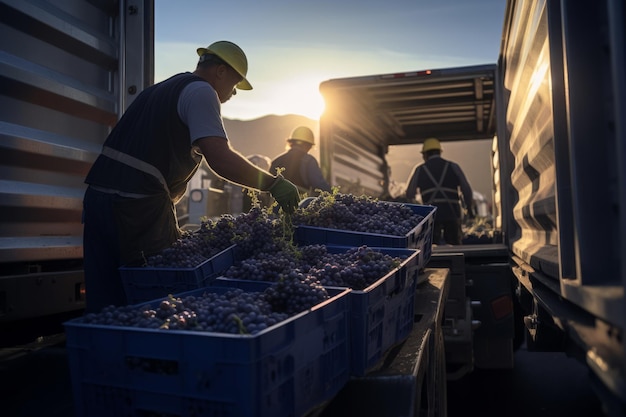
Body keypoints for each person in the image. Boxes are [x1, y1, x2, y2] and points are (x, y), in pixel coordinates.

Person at [82, 40, 300, 312]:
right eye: (234, 85)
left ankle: (103, 351)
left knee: (105, 300)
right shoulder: (201, 92)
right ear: (220, 71)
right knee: (154, 299)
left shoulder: (159, 90)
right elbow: (219, 157)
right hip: (135, 209)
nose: (233, 94)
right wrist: (272, 183)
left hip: (98, 199)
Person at [404, 137, 475, 245]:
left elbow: (409, 193)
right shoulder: (453, 166)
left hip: (431, 215)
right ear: (439, 152)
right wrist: (469, 209)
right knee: (456, 247)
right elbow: (466, 189)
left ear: (425, 154)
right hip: (452, 214)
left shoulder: (420, 169)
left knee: (431, 248)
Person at [270, 126, 332, 196]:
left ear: (291, 142)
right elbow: (320, 186)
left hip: (274, 205)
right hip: (298, 205)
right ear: (308, 145)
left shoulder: (276, 161)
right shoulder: (309, 161)